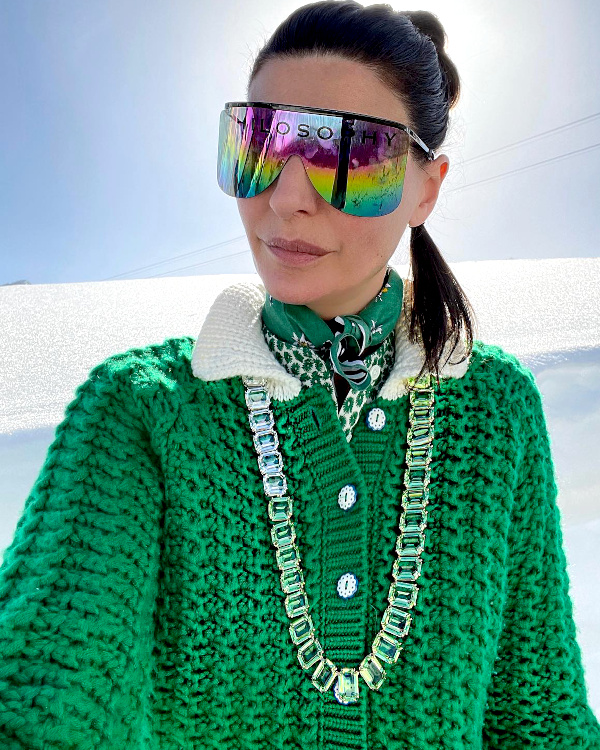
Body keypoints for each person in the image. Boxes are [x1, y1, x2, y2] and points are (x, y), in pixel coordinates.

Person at [0, 1, 598, 748]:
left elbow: (539, 718)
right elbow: (44, 691)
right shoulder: (143, 411)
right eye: (258, 144)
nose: (285, 199)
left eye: (351, 156)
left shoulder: (497, 409)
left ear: (426, 188)